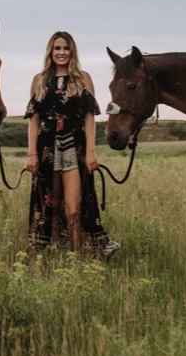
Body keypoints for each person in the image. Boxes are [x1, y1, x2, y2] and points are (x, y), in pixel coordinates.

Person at [24, 31, 120, 257]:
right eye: (57, 48)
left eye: (66, 48)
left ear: (72, 51)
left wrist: (90, 152)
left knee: (73, 209)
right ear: (50, 51)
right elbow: (33, 119)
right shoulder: (39, 80)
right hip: (47, 146)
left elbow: (89, 117)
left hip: (74, 146)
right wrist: (31, 154)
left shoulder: (82, 78)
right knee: (52, 206)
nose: (61, 53)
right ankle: (55, 255)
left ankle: (78, 257)